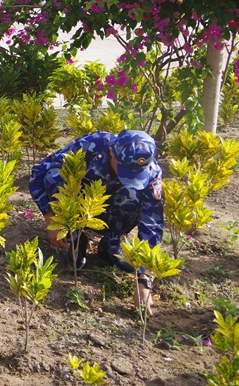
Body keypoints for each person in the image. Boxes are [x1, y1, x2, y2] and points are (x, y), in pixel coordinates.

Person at [29, 129, 164, 314]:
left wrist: (144, 278)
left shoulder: (152, 172)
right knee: (56, 175)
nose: (130, 177)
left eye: (136, 174)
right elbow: (39, 173)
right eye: (125, 170)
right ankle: (75, 238)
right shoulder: (93, 145)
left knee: (131, 193)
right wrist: (50, 216)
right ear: (111, 152)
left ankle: (110, 246)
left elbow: (152, 223)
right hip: (80, 205)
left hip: (113, 213)